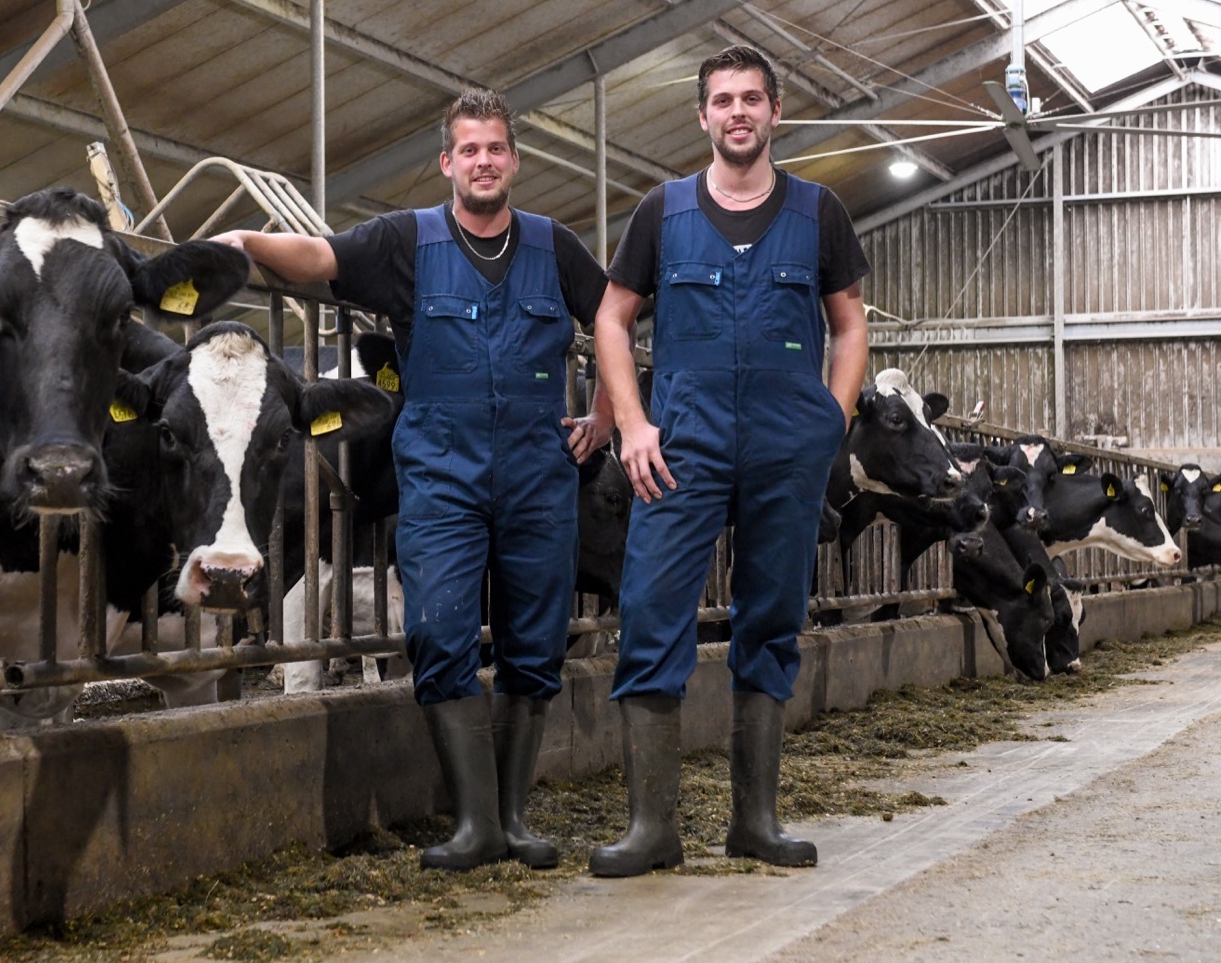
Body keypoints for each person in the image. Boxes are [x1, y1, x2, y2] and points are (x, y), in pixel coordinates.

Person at [213, 88, 613, 871]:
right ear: (448, 163)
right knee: (437, 630)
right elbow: (322, 257)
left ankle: (513, 818)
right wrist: (246, 241)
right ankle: (473, 824)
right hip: (442, 476)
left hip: (538, 474)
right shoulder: (406, 240)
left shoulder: (555, 246)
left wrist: (603, 412)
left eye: (496, 148)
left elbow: (613, 315)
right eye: (470, 150)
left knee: (536, 644)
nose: (485, 161)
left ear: (514, 161)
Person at [588, 46, 870, 875]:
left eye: (752, 98)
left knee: (772, 618)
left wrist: (832, 419)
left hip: (788, 447)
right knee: (647, 610)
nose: (738, 112)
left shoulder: (818, 212)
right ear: (703, 117)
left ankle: (756, 822)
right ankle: (653, 829)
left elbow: (849, 326)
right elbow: (612, 320)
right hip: (682, 447)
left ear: (775, 112)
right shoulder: (661, 212)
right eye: (723, 100)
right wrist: (633, 424)